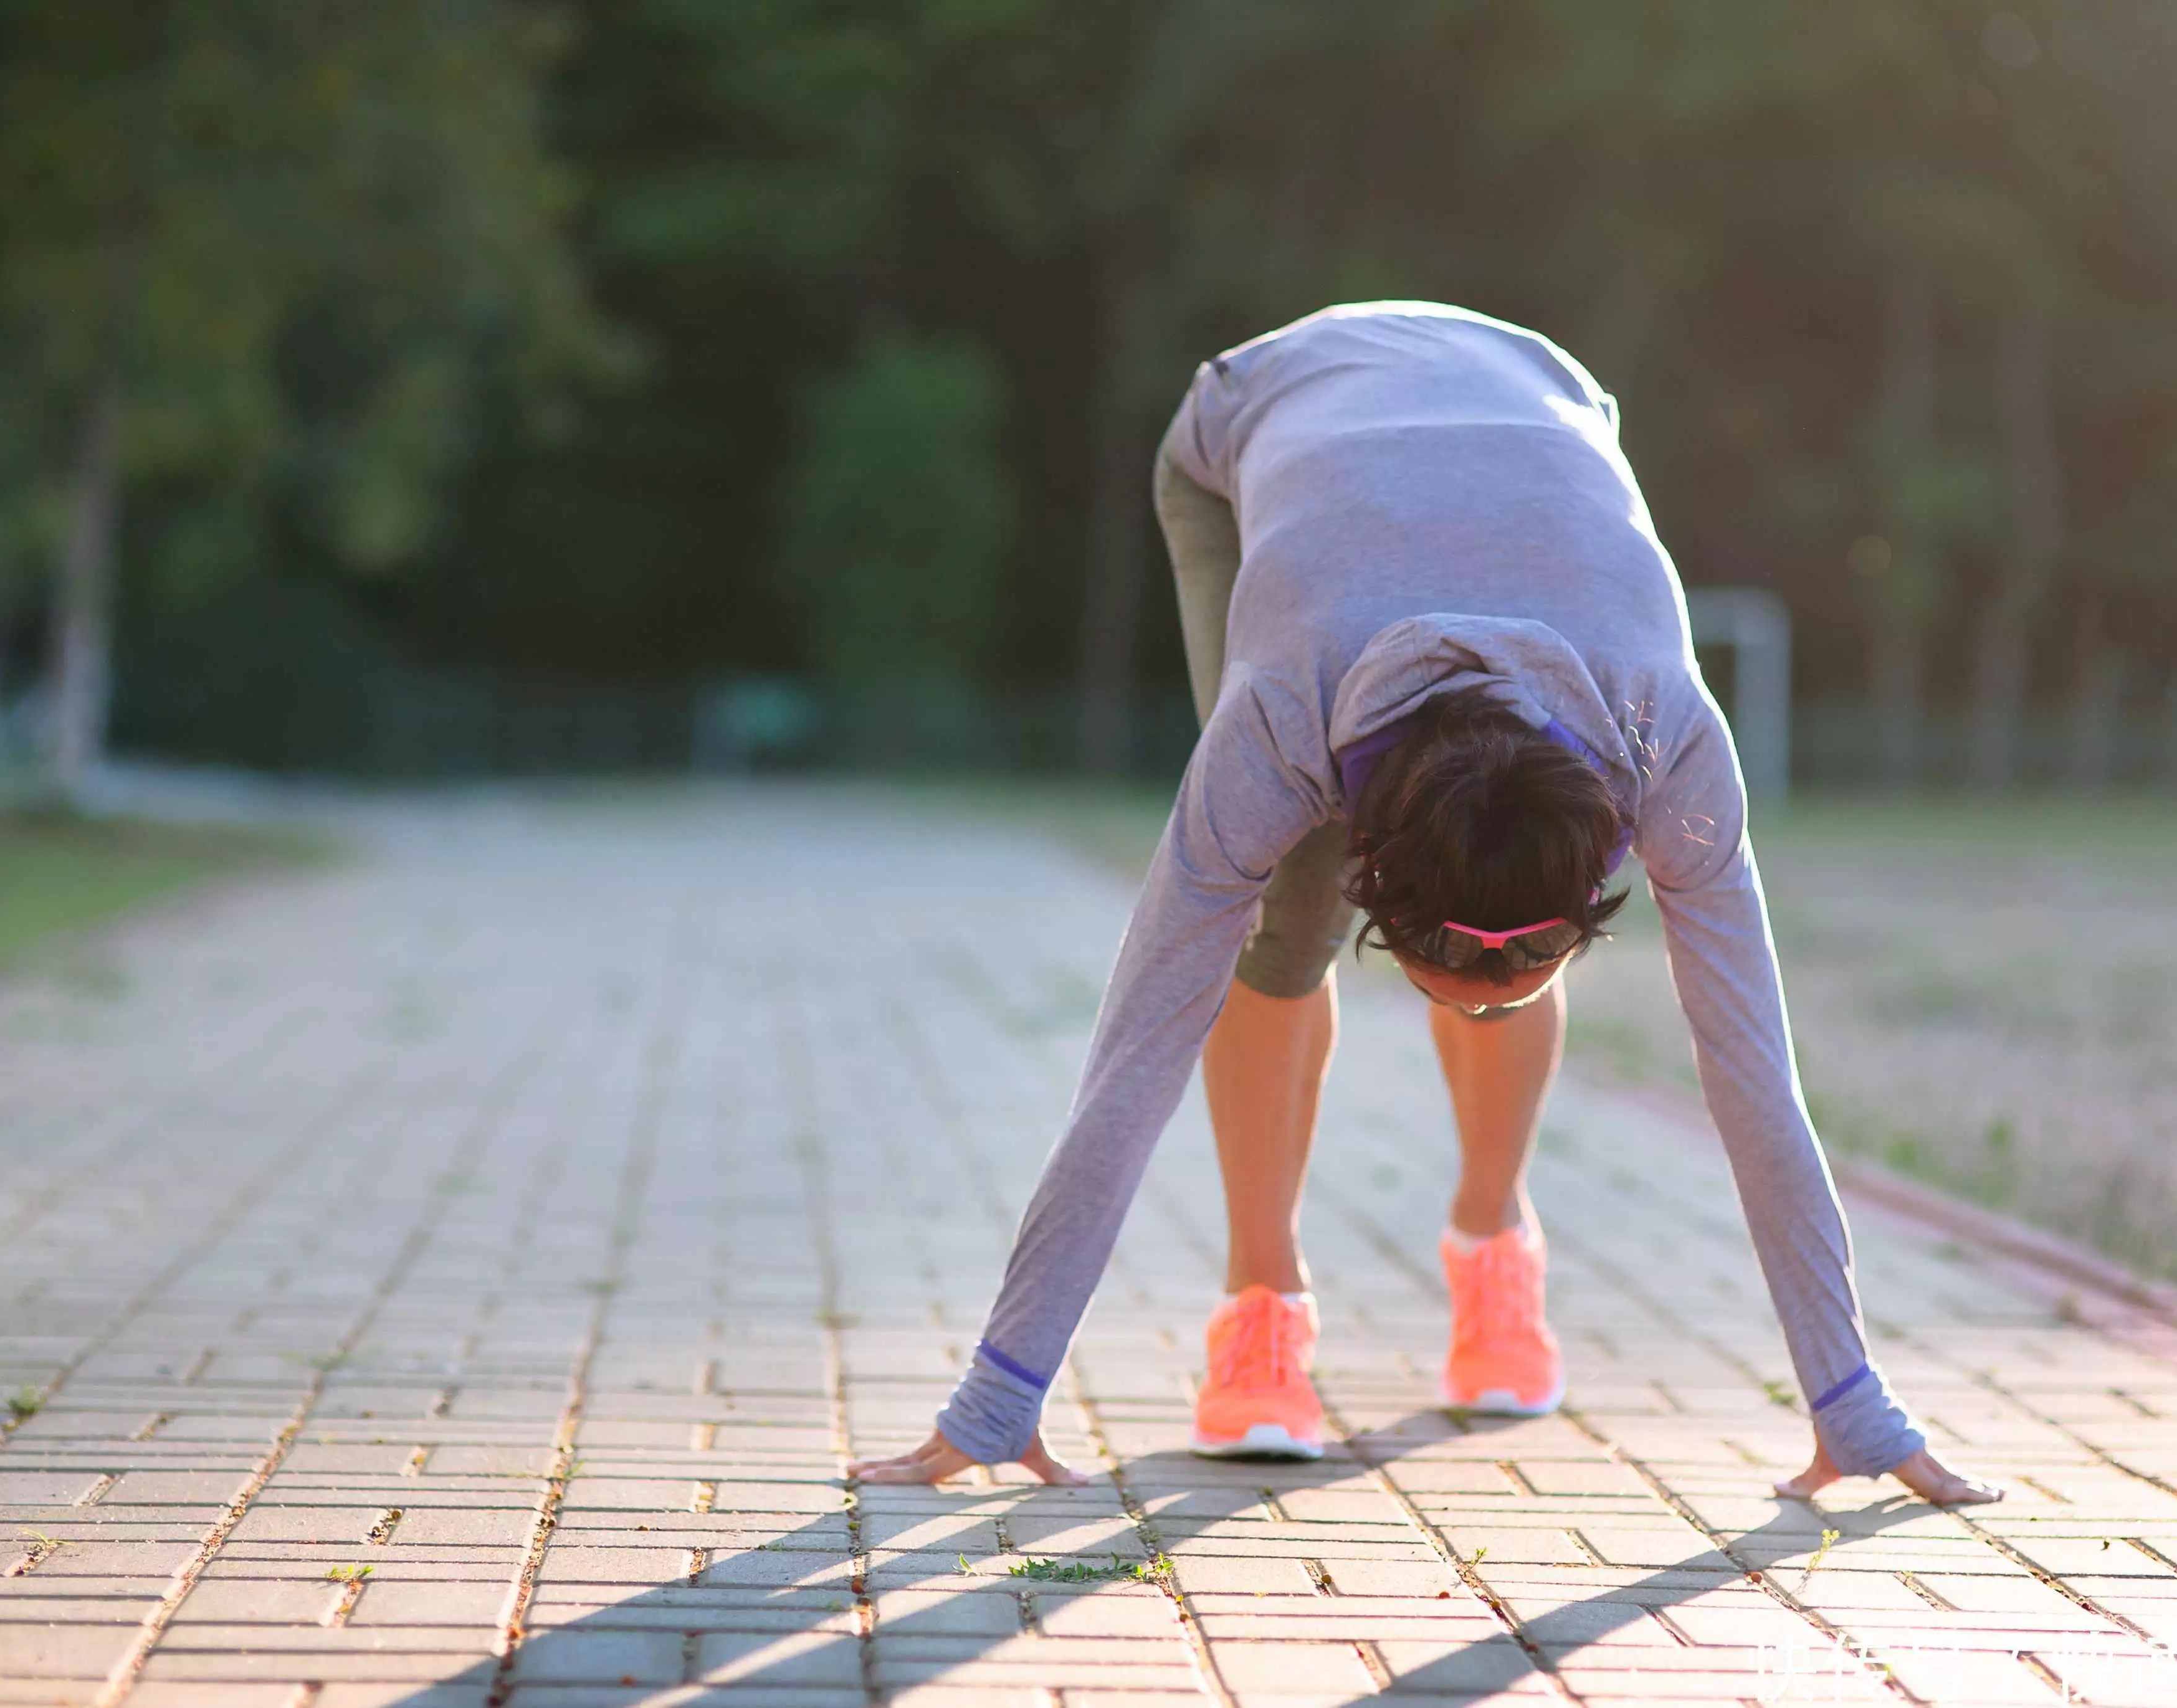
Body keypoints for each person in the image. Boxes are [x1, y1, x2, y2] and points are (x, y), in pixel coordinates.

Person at [854, 302, 1999, 1506]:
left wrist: (1851, 1403)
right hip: (1255, 415)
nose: (1499, 993)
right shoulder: (1282, 716)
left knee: (1482, 882)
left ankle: (1495, 1241)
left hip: (1541, 390)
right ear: (1384, 902)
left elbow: (1754, 1070)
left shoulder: (1667, 733)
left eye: (1531, 966)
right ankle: (1261, 1302)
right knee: (1276, 919)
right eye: (1462, 977)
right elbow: (1135, 1053)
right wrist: (1000, 1391)